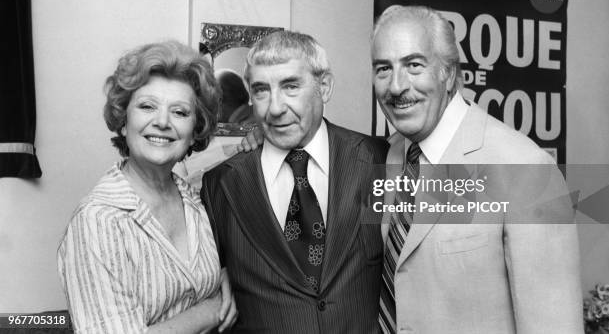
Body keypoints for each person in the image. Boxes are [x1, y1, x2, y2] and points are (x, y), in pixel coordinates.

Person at [372, 5, 582, 333]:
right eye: (383, 68)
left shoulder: (526, 169)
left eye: (414, 65)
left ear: (450, 74)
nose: (396, 86)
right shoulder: (387, 156)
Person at [201, 31, 388, 333]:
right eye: (261, 90)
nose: (275, 108)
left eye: (290, 86)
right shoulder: (221, 184)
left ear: (324, 87)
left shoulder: (380, 160)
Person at [58, 41, 237, 333]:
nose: (162, 122)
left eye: (179, 112)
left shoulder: (196, 200)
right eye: (147, 106)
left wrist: (228, 276)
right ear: (124, 121)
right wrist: (208, 312)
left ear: (195, 131)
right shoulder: (98, 221)